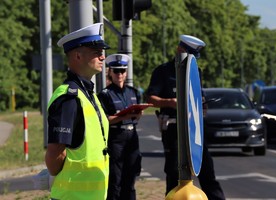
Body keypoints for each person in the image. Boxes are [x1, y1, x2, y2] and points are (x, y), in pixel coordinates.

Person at [145, 35, 226, 200]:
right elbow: (151, 99)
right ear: (180, 50)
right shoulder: (162, 72)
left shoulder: (196, 72)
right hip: (174, 129)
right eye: (189, 56)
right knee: (175, 173)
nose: (192, 61)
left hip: (194, 129)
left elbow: (199, 98)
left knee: (207, 172)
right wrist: (171, 102)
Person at [45, 23, 110, 200]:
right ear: (78, 56)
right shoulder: (69, 97)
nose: (102, 57)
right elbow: (55, 153)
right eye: (96, 52)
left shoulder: (89, 95)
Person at [97, 54, 142, 200]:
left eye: (122, 71)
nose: (119, 74)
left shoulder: (133, 92)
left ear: (126, 72)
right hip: (116, 138)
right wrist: (124, 117)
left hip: (132, 136)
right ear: (109, 72)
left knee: (131, 177)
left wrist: (137, 114)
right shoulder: (105, 94)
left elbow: (136, 116)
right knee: (115, 179)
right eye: (116, 71)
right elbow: (105, 120)